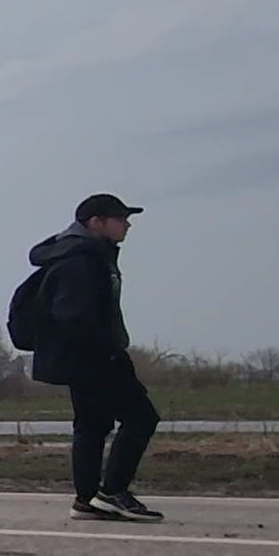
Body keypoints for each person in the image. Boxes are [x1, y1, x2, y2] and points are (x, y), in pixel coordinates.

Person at [28, 195, 163, 522]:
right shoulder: (82, 261)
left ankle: (87, 499)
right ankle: (113, 492)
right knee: (142, 417)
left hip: (81, 359)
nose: (127, 224)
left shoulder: (77, 254)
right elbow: (73, 315)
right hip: (95, 358)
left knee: (92, 425)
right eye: (120, 218)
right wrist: (108, 353)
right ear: (96, 222)